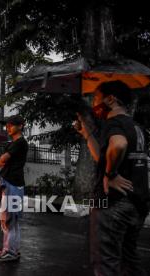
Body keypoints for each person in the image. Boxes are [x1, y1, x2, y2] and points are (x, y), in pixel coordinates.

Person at [75, 80, 149, 275]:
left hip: (112, 203)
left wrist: (111, 174)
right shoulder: (136, 127)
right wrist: (87, 133)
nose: (94, 104)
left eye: (96, 98)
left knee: (105, 264)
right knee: (128, 262)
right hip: (137, 204)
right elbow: (102, 156)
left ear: (110, 99)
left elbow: (118, 145)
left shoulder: (113, 122)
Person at [0, 114, 28, 262]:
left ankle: (10, 251)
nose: (8, 127)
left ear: (20, 126)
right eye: (7, 125)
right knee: (10, 219)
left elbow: (2, 160)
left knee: (9, 220)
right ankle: (11, 248)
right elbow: (2, 161)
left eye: (11, 125)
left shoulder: (19, 143)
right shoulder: (13, 143)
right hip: (11, 183)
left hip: (13, 183)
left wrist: (2, 160)